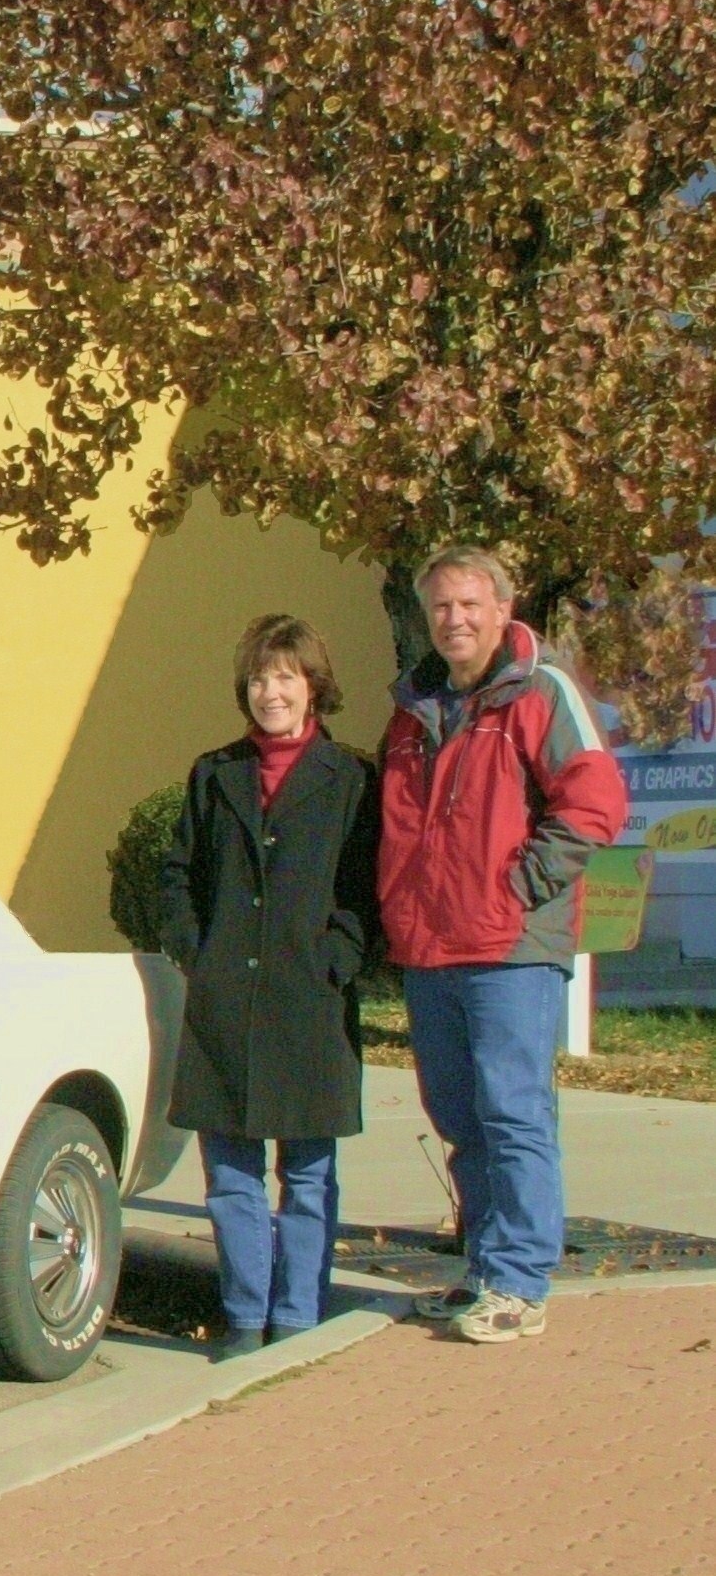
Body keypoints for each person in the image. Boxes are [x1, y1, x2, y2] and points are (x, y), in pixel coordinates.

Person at [379, 546, 629, 1345]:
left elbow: (595, 803)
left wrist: (519, 886)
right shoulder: (413, 710)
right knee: (461, 1117)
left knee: (514, 1115)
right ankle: (485, 1270)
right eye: (441, 606)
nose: (454, 619)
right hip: (431, 948)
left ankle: (520, 1281)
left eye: (469, 604)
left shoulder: (540, 691)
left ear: (501, 609)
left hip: (510, 947)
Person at [156, 615, 381, 1360]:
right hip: (225, 1000)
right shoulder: (215, 773)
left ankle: (298, 1317)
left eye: (285, 676)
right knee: (231, 1176)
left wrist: (337, 958)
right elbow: (178, 874)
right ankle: (246, 1318)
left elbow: (366, 887)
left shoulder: (350, 779)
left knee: (308, 1176)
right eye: (258, 678)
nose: (271, 692)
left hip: (310, 1000)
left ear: (313, 685)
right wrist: (196, 950)